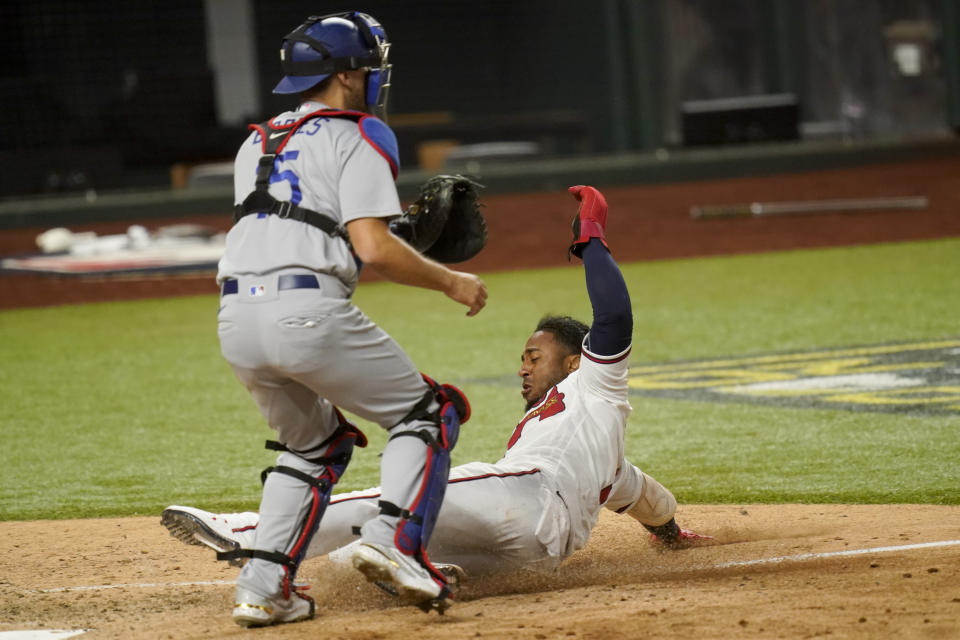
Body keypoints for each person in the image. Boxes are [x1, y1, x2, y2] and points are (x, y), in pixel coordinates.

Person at [165, 185, 707, 595]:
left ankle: (243, 530)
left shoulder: (598, 384)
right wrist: (672, 535)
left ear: (574, 361)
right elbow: (646, 497)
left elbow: (613, 314)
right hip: (533, 553)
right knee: (361, 554)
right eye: (522, 358)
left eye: (534, 357)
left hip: (531, 495)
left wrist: (590, 237)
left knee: (405, 494)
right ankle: (412, 570)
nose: (522, 368)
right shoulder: (592, 450)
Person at [213, 11, 487, 628]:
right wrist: (451, 281)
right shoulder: (360, 131)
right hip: (307, 313)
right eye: (367, 69)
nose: (373, 79)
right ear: (345, 75)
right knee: (428, 411)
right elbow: (371, 247)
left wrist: (390, 232)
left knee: (312, 445)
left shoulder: (255, 140)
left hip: (236, 319)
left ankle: (263, 589)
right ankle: (395, 541)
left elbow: (308, 221)